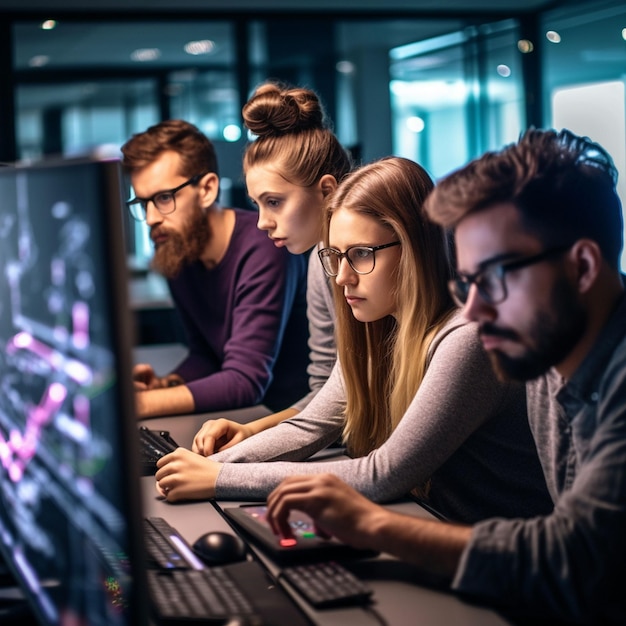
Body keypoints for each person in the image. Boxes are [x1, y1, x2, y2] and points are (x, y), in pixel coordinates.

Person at [265, 129, 626, 624]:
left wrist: (374, 525)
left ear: (582, 267)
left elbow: (575, 556)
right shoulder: (546, 358)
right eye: (468, 281)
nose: (474, 309)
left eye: (493, 279)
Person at [154, 156, 552, 525]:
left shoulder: (469, 340)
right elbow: (311, 426)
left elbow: (381, 474)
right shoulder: (377, 328)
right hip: (425, 521)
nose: (342, 277)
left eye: (361, 254)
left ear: (414, 247)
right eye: (335, 256)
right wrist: (209, 461)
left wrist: (221, 478)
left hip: (494, 566)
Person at [192, 81, 353, 451]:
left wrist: (225, 468)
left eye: (275, 202)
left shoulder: (384, 268)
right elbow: (327, 396)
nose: (262, 221)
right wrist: (252, 431)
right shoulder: (318, 262)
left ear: (327, 191)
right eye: (257, 204)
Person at [120, 119, 309, 418]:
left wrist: (137, 405)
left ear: (207, 189)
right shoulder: (178, 249)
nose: (152, 217)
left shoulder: (264, 248)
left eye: (164, 198)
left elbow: (246, 380)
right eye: (143, 204)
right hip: (240, 419)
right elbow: (206, 356)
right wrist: (166, 385)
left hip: (290, 422)